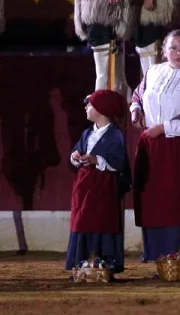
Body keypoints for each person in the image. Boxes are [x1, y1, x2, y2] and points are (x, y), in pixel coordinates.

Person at [131, 30, 180, 261]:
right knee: (154, 201)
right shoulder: (153, 72)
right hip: (152, 147)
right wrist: (136, 112)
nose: (179, 52)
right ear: (164, 51)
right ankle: (154, 252)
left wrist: (163, 128)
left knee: (179, 200)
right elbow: (138, 96)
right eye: (174, 48)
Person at [65, 90, 130, 275]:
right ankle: (81, 261)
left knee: (101, 220)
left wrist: (98, 160)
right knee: (82, 219)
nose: (86, 108)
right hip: (84, 186)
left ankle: (104, 261)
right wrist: (76, 157)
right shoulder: (87, 133)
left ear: (101, 110)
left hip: (103, 187)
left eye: (90, 105)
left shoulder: (115, 135)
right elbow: (76, 152)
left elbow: (119, 161)